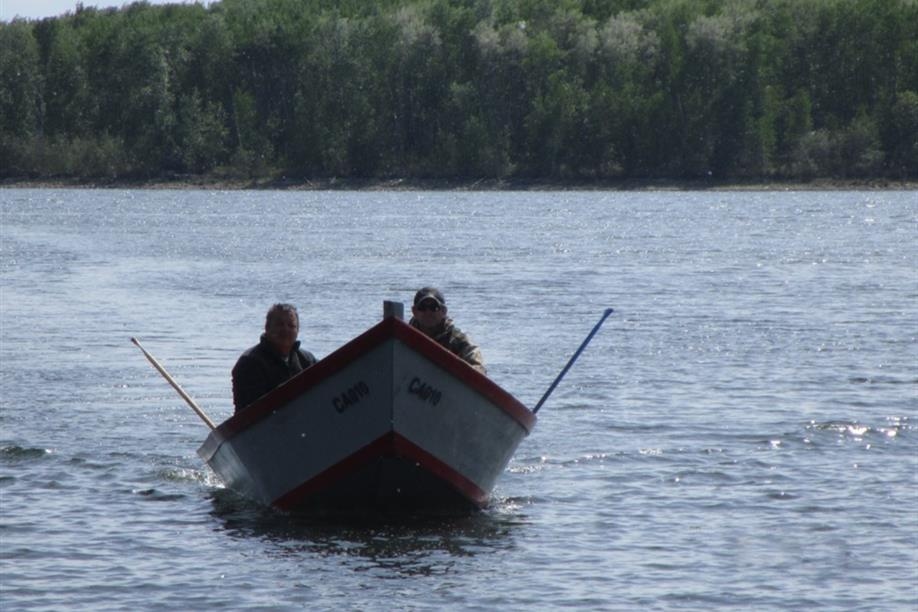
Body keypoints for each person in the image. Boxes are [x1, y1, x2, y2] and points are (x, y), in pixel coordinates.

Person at [232, 303, 317, 412]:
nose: (285, 330)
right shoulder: (249, 362)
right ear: (267, 328)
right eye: (280, 324)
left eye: (291, 326)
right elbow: (250, 411)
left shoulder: (307, 360)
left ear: (297, 331)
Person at [409, 287, 486, 374]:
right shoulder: (402, 338)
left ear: (444, 311)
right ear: (414, 311)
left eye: (434, 308)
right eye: (422, 307)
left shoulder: (459, 341)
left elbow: (478, 369)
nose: (428, 312)